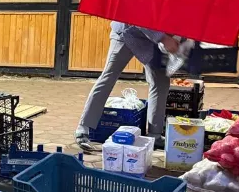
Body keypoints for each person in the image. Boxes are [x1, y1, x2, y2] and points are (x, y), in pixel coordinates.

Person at [74, 22, 179, 151]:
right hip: (127, 32)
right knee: (108, 77)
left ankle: (155, 135)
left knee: (161, 81)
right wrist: (164, 38)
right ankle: (83, 129)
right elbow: (138, 15)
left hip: (151, 39)